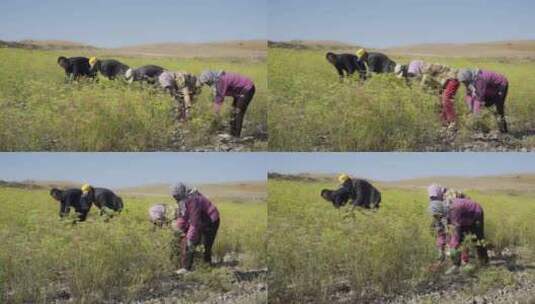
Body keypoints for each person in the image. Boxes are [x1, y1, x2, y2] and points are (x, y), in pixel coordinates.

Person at [428, 185, 489, 274]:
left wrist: (453, 247)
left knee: (477, 238)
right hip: (462, 215)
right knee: (462, 238)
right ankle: (460, 264)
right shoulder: (440, 212)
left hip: (475, 212)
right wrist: (440, 250)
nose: (436, 217)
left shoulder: (453, 209)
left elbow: (455, 232)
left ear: (441, 212)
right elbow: (441, 232)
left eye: (437, 216)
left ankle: (484, 262)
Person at [171, 183, 220, 274]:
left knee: (205, 243)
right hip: (200, 219)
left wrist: (190, 238)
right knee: (190, 240)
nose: (175, 198)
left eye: (176, 196)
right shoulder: (182, 199)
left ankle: (205, 268)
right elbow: (184, 216)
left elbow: (194, 222)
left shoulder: (193, 200)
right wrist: (178, 228)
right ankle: (189, 266)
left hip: (211, 220)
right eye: (174, 196)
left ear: (181, 193)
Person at [398, 60, 459, 126]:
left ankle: (453, 123)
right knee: (439, 102)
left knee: (446, 99)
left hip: (450, 78)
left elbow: (423, 81)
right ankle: (445, 124)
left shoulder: (413, 70)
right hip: (443, 81)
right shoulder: (415, 68)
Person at [198, 70, 256, 137]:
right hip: (240, 91)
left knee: (238, 112)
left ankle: (236, 137)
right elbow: (217, 97)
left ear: (210, 79)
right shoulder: (217, 78)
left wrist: (213, 116)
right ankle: (232, 134)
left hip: (247, 89)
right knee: (233, 111)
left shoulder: (221, 80)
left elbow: (219, 99)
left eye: (207, 82)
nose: (207, 84)